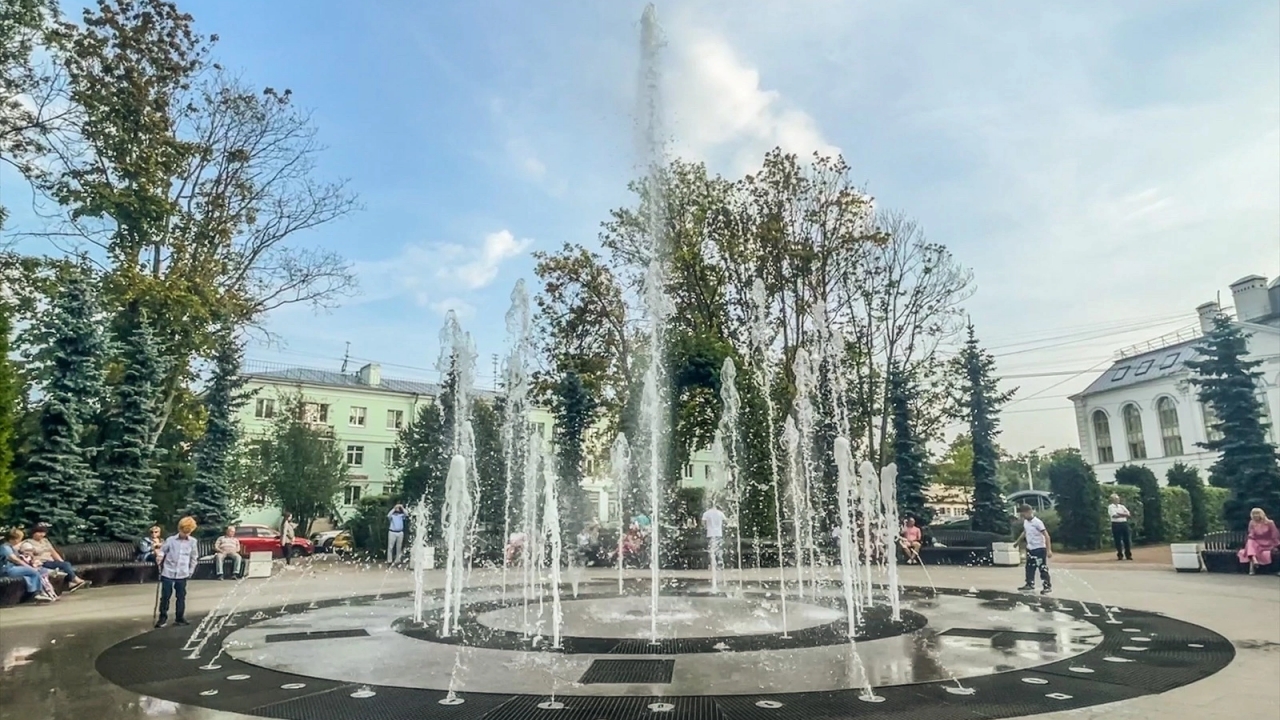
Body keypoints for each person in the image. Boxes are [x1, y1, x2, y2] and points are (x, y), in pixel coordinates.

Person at [156, 516, 200, 627]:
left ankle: (180, 617)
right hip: (168, 571)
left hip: (182, 572)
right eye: (184, 532)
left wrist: (191, 571)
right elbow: (162, 551)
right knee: (165, 596)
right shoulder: (170, 540)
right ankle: (162, 618)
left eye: (188, 532)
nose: (186, 534)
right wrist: (160, 556)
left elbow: (194, 557)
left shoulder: (192, 542)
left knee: (181, 596)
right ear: (179, 529)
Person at [20, 523, 89, 593]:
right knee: (65, 565)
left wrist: (61, 561)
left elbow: (53, 552)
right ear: (33, 533)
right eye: (39, 532)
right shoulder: (28, 543)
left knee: (65, 565)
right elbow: (28, 555)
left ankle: (71, 583)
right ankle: (76, 581)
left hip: (51, 561)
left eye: (43, 532)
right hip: (42, 563)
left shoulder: (45, 541)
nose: (42, 534)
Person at [2, 529, 55, 603]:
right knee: (33, 572)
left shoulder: (10, 547)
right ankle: (36, 593)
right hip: (6, 570)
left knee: (31, 575)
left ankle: (35, 594)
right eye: (19, 539)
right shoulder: (5, 547)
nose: (19, 542)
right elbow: (15, 560)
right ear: (14, 539)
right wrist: (29, 567)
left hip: (11, 568)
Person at [1013, 504, 1052, 595]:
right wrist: (1017, 542)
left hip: (1039, 549)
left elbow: (1047, 536)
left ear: (1029, 512)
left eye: (1023, 514)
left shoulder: (1037, 522)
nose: (1023, 516)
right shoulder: (1026, 522)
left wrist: (1049, 550)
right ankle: (1029, 583)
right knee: (1029, 567)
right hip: (1030, 549)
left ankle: (1047, 586)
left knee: (1042, 567)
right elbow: (1025, 532)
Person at [1237, 508, 1280, 575]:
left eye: (1257, 514)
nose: (1255, 515)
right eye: (1254, 514)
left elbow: (1274, 535)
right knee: (1250, 541)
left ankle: (1252, 567)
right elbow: (1251, 534)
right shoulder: (1252, 523)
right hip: (1256, 542)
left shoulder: (1270, 523)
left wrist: (1277, 544)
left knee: (1251, 544)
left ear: (1261, 514)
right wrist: (1250, 536)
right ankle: (1254, 559)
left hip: (1267, 543)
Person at [1107, 493, 1133, 561]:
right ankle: (1120, 555)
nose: (1117, 500)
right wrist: (1124, 514)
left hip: (1124, 523)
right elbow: (1114, 515)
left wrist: (1120, 514)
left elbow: (1128, 514)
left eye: (1118, 498)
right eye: (1115, 499)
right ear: (1112, 500)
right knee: (1117, 540)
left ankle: (1128, 555)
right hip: (1116, 524)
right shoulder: (1110, 507)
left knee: (1127, 540)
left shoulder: (1122, 506)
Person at [701, 504, 727, 570]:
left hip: (710, 533)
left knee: (711, 549)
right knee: (719, 549)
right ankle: (720, 563)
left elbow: (703, 523)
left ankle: (712, 564)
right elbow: (725, 522)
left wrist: (706, 527)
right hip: (719, 533)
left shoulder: (706, 513)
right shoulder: (720, 513)